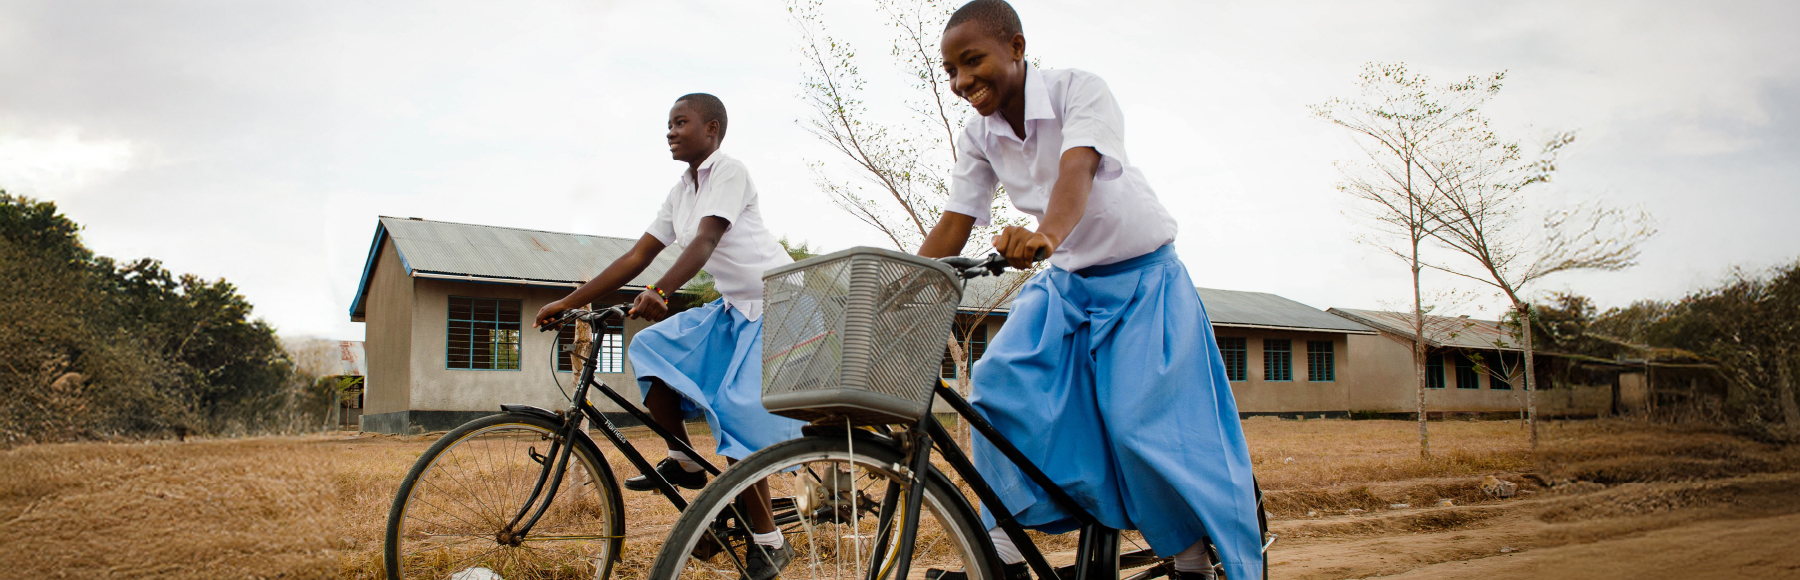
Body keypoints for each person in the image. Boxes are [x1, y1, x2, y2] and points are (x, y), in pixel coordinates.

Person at [916, 2, 1262, 580]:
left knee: (1138, 424)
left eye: (972, 61)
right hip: (1069, 285)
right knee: (997, 392)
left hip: (1142, 277)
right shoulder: (979, 133)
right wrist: (896, 285)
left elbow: (1076, 170)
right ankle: (1003, 555)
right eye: (951, 70)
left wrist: (1045, 234)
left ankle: (1192, 561)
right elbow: (957, 220)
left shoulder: (1081, 91)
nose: (961, 82)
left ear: (1017, 48)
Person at [533, 93, 802, 580]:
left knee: (736, 411)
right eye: (668, 124)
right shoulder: (681, 190)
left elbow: (705, 241)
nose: (671, 132)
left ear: (713, 129)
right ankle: (685, 459)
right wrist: (570, 302)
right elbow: (636, 257)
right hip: (734, 308)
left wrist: (661, 290)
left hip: (778, 304)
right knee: (650, 347)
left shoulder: (729, 171)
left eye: (682, 122)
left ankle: (770, 541)